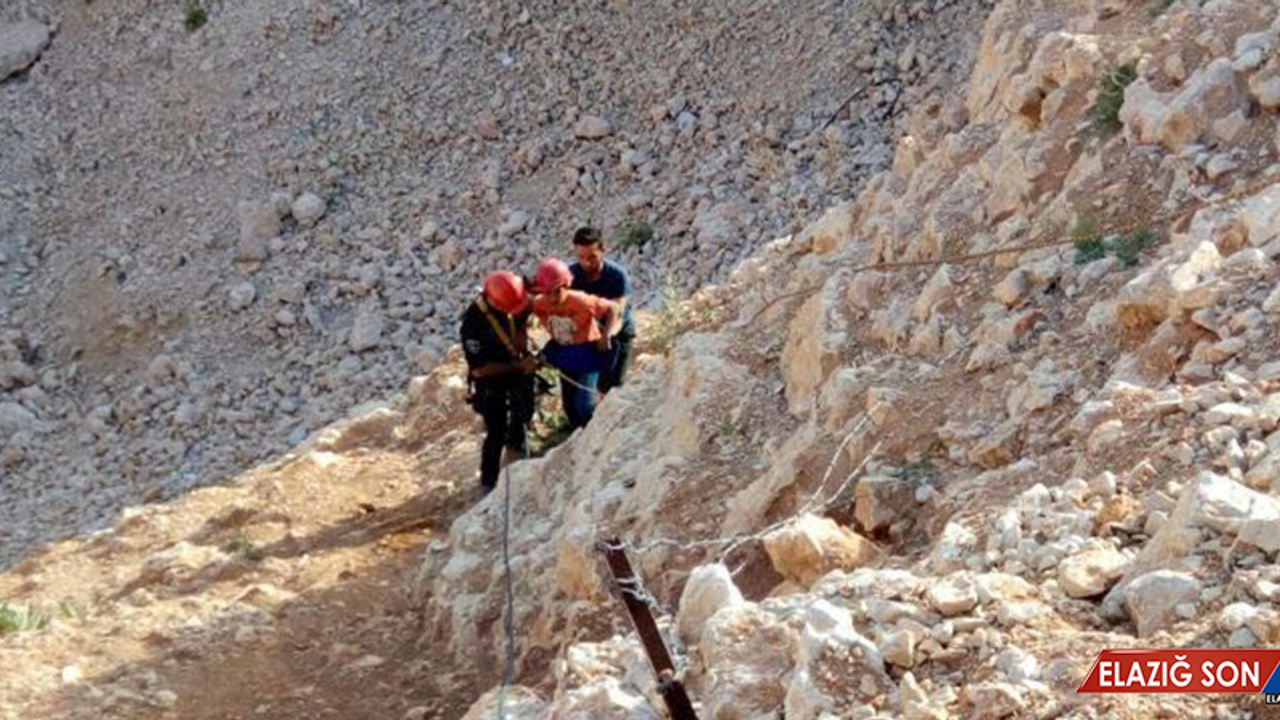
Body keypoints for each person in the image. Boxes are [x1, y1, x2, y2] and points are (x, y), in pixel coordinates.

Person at [459, 271, 538, 494]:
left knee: (524, 409)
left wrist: (523, 349)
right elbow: (480, 369)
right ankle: (489, 482)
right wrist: (517, 367)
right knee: (496, 430)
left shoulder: (514, 296)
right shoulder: (472, 325)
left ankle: (518, 447)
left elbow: (526, 309)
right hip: (491, 378)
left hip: (516, 365)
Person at [530, 258, 620, 430]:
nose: (552, 297)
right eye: (547, 292)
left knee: (584, 406)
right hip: (564, 354)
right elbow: (523, 308)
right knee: (570, 407)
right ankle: (576, 439)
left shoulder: (580, 301)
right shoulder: (540, 303)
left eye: (556, 291)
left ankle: (597, 433)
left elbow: (613, 308)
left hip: (587, 354)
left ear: (566, 285)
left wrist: (606, 335)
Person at [569, 226, 636, 395]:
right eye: (581, 257)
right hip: (590, 335)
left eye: (592, 257)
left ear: (603, 250)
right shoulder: (571, 275)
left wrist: (607, 335)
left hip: (618, 334)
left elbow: (618, 313)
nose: (586, 263)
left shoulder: (617, 275)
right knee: (590, 387)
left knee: (613, 388)